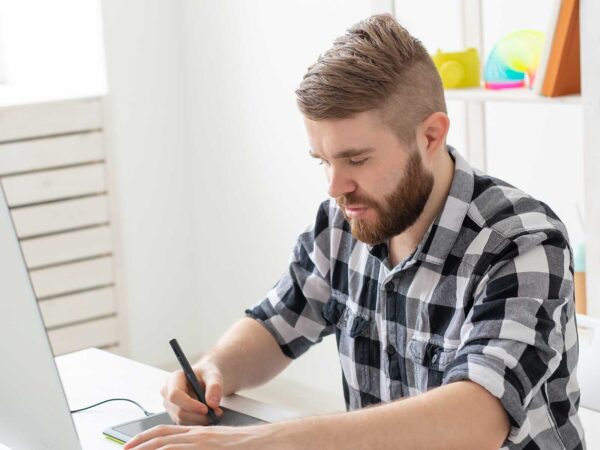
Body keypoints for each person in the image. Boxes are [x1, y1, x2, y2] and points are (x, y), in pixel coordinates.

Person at [124, 14, 584, 450]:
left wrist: (267, 441)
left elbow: (476, 419)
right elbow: (275, 323)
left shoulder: (522, 243)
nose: (335, 186)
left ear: (430, 135)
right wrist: (213, 369)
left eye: (357, 159)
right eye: (323, 161)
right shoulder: (341, 222)